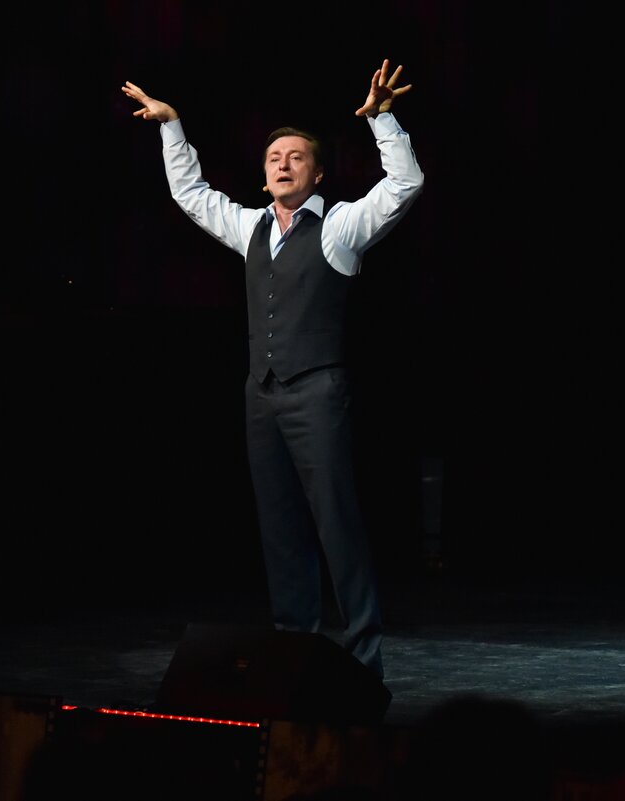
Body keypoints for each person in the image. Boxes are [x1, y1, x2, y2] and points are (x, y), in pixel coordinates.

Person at [121, 59, 424, 680]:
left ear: (317, 173)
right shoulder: (251, 227)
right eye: (273, 158)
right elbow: (192, 196)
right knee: (280, 528)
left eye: (295, 157)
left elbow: (404, 185)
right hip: (261, 396)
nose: (282, 164)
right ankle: (294, 652)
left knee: (336, 524)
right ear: (264, 177)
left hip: (317, 392)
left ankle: (364, 658)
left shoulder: (339, 227)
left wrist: (382, 121)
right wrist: (172, 126)